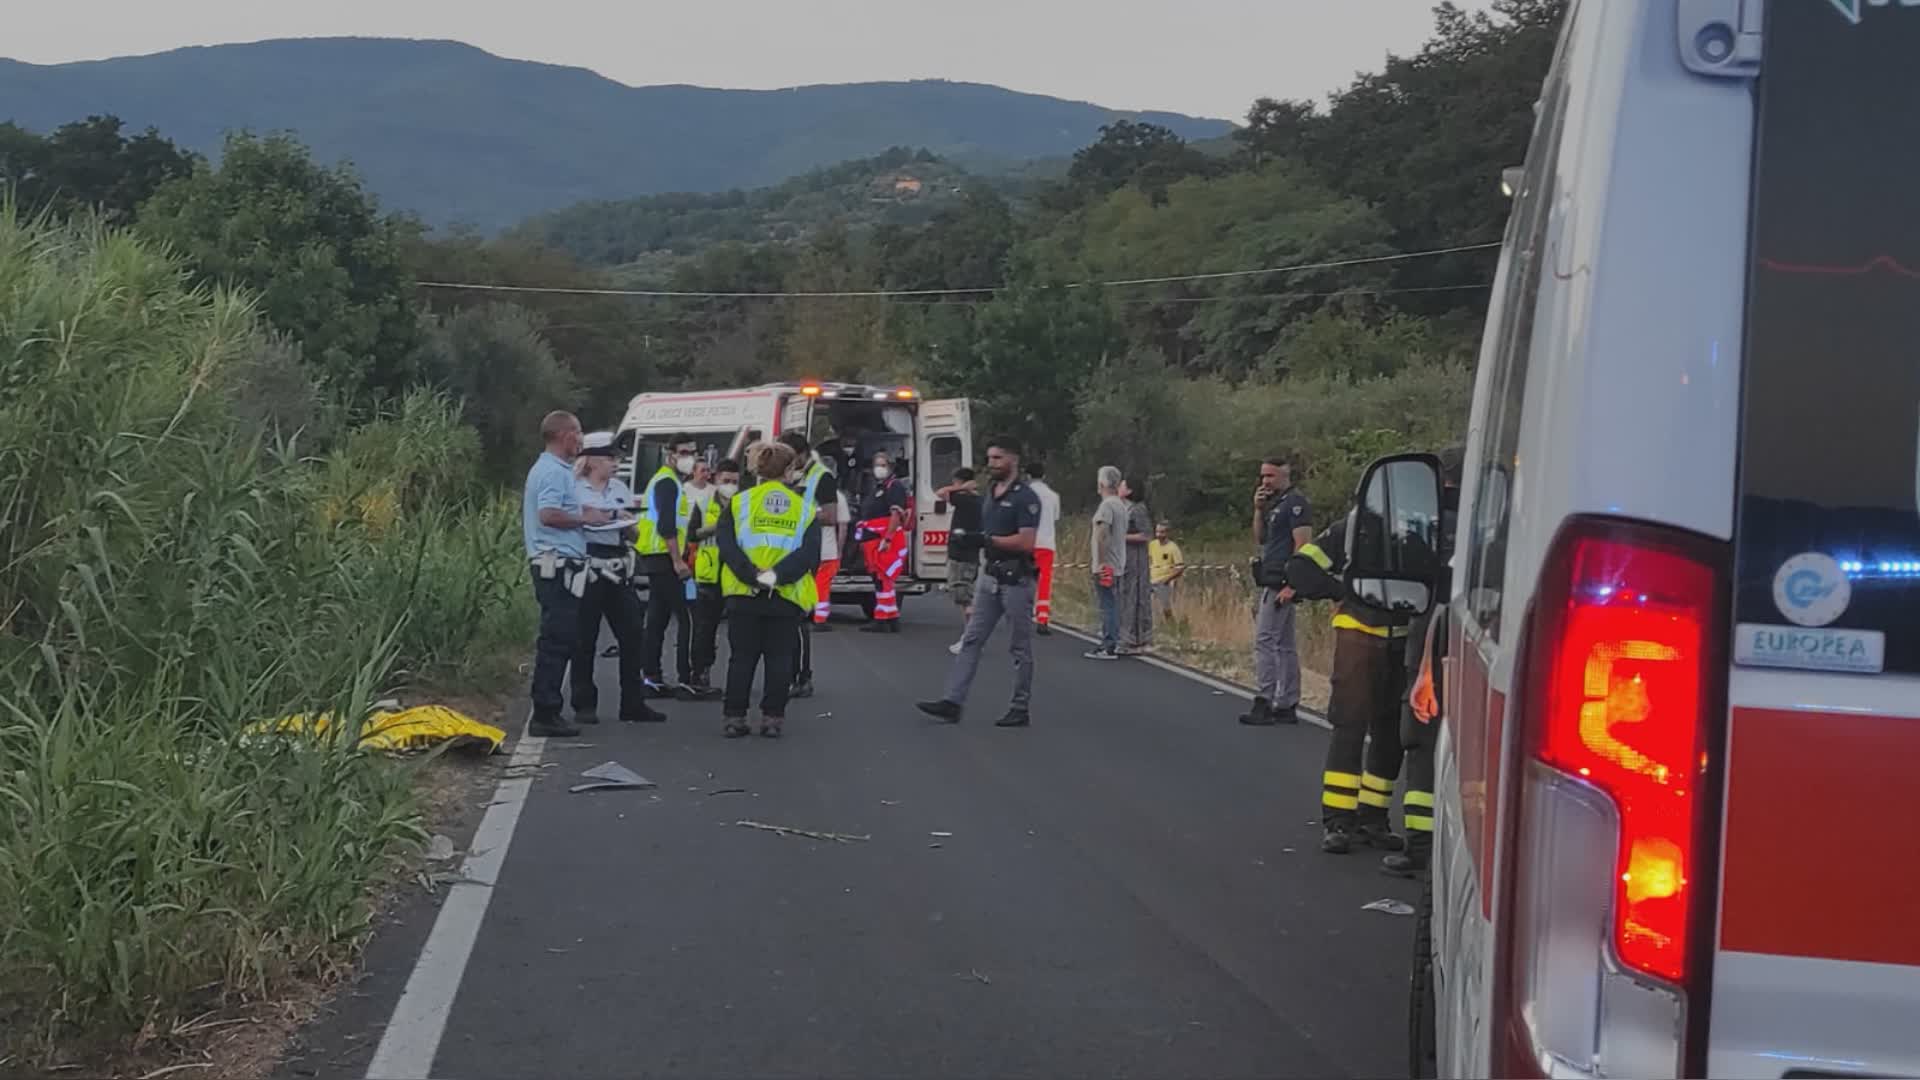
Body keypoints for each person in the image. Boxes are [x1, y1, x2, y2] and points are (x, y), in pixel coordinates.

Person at [1285, 489, 1415, 856]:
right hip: (1358, 637)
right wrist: (1341, 590)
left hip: (1402, 642)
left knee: (1391, 733)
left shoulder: (1416, 532)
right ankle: (1338, 822)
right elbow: (1300, 567)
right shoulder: (1350, 530)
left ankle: (1373, 818)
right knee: (1350, 726)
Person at [916, 436, 1043, 727]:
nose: (992, 464)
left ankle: (1020, 705)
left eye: (998, 458)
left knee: (1019, 646)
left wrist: (987, 539)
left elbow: (1026, 541)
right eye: (990, 458)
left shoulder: (1025, 498)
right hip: (990, 574)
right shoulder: (991, 494)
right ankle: (952, 701)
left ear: (1013, 460)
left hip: (1016, 578)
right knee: (972, 639)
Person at [1381, 446, 1462, 879]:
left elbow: (1430, 600)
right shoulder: (1499, 525)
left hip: (1432, 648)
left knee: (1421, 743)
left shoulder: (1428, 528)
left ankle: (1421, 847)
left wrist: (1426, 668)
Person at [716, 442, 821, 738]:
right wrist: (776, 576)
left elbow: (727, 547)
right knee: (779, 659)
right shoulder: (805, 510)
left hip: (743, 593)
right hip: (784, 595)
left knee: (742, 657)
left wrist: (752, 576)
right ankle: (772, 718)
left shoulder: (739, 503)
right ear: (789, 470)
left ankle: (734, 717)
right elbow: (809, 555)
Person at [568, 433, 667, 725]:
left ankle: (633, 702)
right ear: (593, 459)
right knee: (584, 637)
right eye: (611, 458)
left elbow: (634, 533)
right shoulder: (574, 490)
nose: (616, 463)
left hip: (619, 563)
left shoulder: (620, 489)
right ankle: (584, 703)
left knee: (633, 633)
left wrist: (628, 524)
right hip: (587, 562)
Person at [521, 411, 610, 738]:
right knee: (557, 639)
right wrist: (584, 520)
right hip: (556, 564)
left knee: (561, 636)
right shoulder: (554, 472)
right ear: (564, 435)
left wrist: (586, 513)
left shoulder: (553, 470)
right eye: (578, 433)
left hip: (556, 562)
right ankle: (545, 711)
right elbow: (548, 514)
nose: (582, 440)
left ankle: (548, 708)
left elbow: (558, 511)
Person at [1243, 457, 1313, 726]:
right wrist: (1258, 509)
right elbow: (1261, 538)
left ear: (1285, 476)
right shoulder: (1276, 505)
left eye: (1270, 476)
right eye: (1263, 476)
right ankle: (1286, 703)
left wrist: (1293, 584)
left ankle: (1264, 700)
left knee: (1265, 641)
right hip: (1270, 578)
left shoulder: (1296, 504)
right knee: (1284, 644)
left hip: (1281, 582)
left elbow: (1303, 545)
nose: (1265, 481)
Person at [634, 433, 700, 697]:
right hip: (664, 558)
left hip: (655, 557)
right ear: (669, 454)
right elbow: (666, 526)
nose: (688, 458)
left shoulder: (667, 481)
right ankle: (687, 679)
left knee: (658, 618)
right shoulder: (667, 483)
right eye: (683, 453)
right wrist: (678, 561)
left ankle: (651, 676)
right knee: (688, 617)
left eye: (692, 453)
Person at [780, 431, 837, 697]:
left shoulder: (821, 477)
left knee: (800, 616)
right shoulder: (793, 476)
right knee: (788, 616)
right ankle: (790, 673)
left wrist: (801, 512)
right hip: (790, 551)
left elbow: (830, 516)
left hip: (813, 552)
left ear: (801, 454)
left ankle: (803, 677)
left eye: (791, 458)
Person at [688, 458, 741, 694]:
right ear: (716, 479)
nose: (730, 485)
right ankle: (700, 673)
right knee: (704, 629)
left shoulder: (745, 504)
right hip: (709, 575)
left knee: (739, 632)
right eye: (726, 480)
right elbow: (692, 535)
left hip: (736, 575)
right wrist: (716, 526)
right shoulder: (703, 503)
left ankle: (737, 678)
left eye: (734, 481)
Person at [855, 448, 911, 633]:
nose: (879, 468)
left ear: (890, 467)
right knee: (881, 580)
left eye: (883, 465)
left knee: (882, 580)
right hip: (872, 538)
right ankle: (892, 617)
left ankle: (881, 619)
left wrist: (887, 538)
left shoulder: (893, 487)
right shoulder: (879, 487)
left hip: (882, 539)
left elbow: (895, 514)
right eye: (877, 465)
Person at [937, 466, 983, 655]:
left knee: (965, 598)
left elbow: (940, 493)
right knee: (964, 596)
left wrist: (960, 488)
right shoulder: (979, 500)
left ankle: (971, 638)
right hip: (968, 553)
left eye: (955, 482)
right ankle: (971, 636)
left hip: (963, 554)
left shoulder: (965, 499)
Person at [1084, 466, 1128, 661]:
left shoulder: (1107, 506)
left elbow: (1102, 534)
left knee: (1107, 604)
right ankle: (1114, 640)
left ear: (1102, 483)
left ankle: (1109, 644)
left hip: (1107, 563)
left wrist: (1101, 563)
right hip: (1118, 561)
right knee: (1113, 603)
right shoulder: (1121, 505)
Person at [811, 438, 849, 632]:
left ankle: (817, 617)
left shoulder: (810, 493)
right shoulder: (838, 497)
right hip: (828, 551)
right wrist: (840, 552)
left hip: (815, 551)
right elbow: (842, 528)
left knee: (816, 586)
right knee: (823, 587)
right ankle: (820, 618)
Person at [1117, 478, 1154, 654]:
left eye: (1123, 485)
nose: (1119, 488)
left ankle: (1137, 638)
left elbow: (1147, 535)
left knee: (1136, 596)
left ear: (1130, 490)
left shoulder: (1138, 509)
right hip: (1126, 558)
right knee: (1125, 595)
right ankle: (1126, 636)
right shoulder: (1124, 508)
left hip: (1137, 560)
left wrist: (1121, 537)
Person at [1025, 461, 1060, 636]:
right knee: (1044, 582)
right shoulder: (1053, 496)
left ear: (1028, 476)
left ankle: (1023, 615)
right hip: (1047, 544)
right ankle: (1043, 619)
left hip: (1027, 543)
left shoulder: (1025, 494)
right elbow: (1055, 518)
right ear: (1044, 476)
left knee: (1024, 580)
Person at [1149, 521, 1185, 622]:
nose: (1159, 535)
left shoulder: (1173, 548)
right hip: (1151, 580)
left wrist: (1166, 580)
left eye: (1162, 532)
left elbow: (1180, 568)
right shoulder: (1152, 545)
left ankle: (1171, 627)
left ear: (1167, 533)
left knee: (1166, 608)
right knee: (1146, 606)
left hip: (1165, 582)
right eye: (1157, 532)